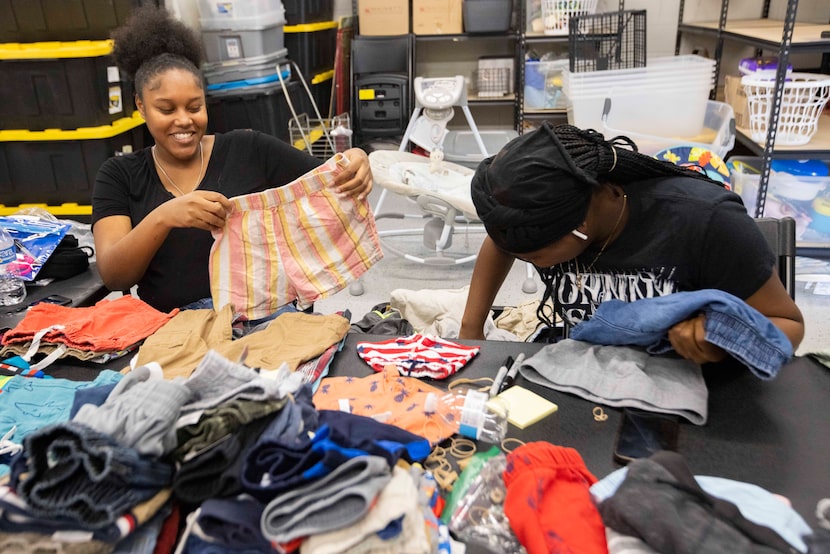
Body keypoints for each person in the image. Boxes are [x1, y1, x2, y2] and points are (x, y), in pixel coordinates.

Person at [91, 6, 373, 314]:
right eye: (167, 110)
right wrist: (165, 217)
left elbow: (326, 178)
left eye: (194, 107)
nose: (184, 120)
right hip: (174, 328)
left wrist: (355, 158)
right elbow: (115, 275)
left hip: (266, 315)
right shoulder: (119, 175)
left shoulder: (250, 149)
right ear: (141, 107)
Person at [459, 122, 804, 365]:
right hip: (584, 371)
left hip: (686, 383)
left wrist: (721, 340)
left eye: (535, 257)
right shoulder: (542, 220)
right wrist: (471, 329)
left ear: (579, 225)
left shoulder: (707, 222)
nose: (534, 263)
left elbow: (790, 327)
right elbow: (501, 242)